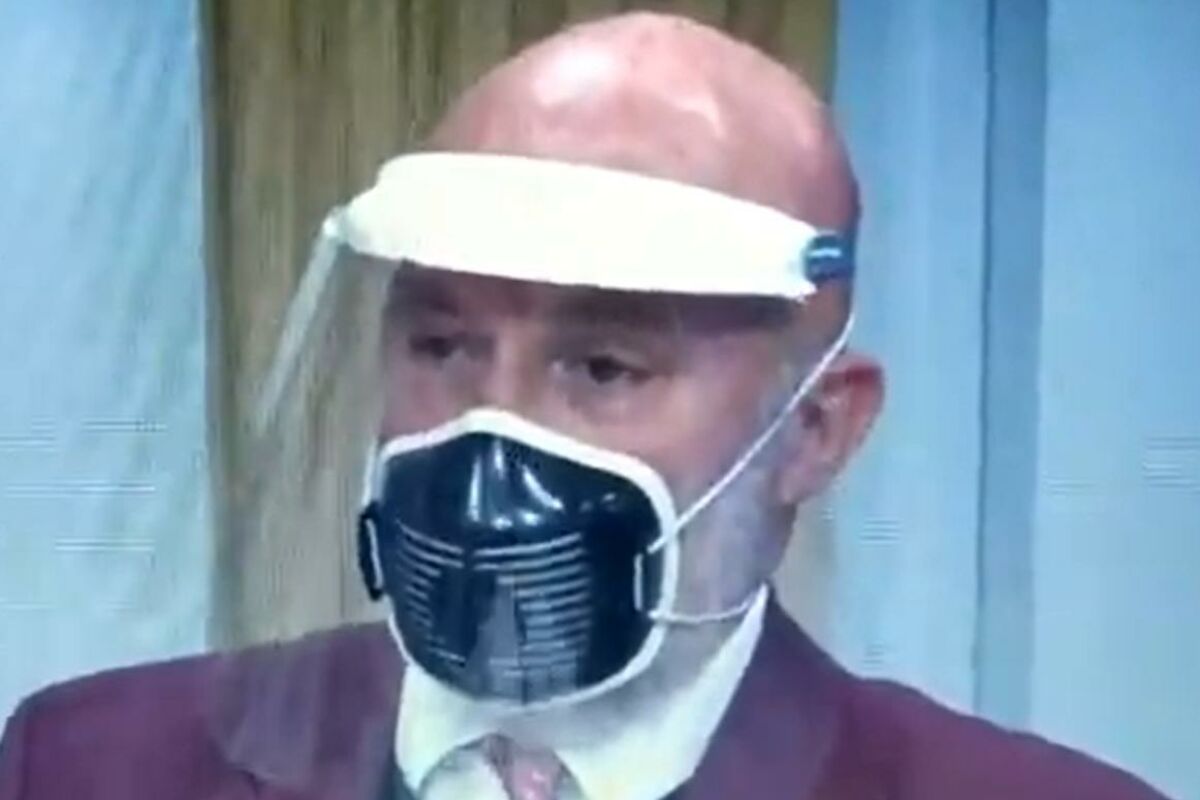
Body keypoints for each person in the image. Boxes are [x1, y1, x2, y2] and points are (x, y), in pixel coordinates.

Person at [0, 12, 1171, 800]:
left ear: (816, 427)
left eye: (604, 367)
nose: (490, 430)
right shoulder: (90, 765)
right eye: (442, 343)